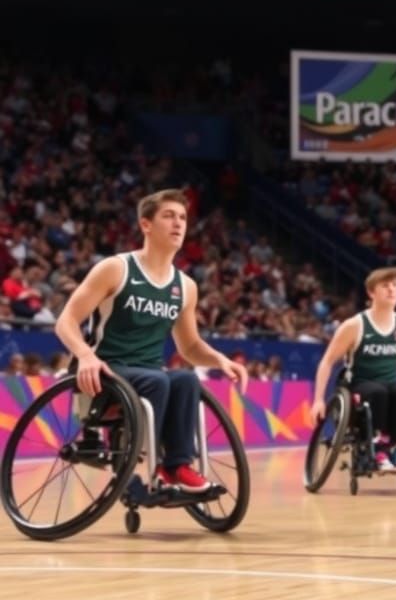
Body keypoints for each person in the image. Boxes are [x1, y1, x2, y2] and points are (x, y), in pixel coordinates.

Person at [54, 188, 249, 493]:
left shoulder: (185, 286)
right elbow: (65, 321)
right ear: (146, 224)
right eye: (169, 216)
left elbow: (190, 347)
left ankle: (177, 466)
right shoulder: (116, 269)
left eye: (182, 217)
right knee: (157, 380)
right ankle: (140, 469)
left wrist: (220, 360)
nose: (178, 223)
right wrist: (85, 355)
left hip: (146, 374)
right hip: (104, 370)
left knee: (186, 379)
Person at [310, 267, 396, 470]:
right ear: (371, 292)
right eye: (385, 286)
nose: (392, 290)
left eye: (395, 285)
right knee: (378, 392)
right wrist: (318, 400)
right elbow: (327, 361)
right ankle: (376, 447)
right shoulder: (354, 326)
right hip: (359, 385)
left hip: (390, 385)